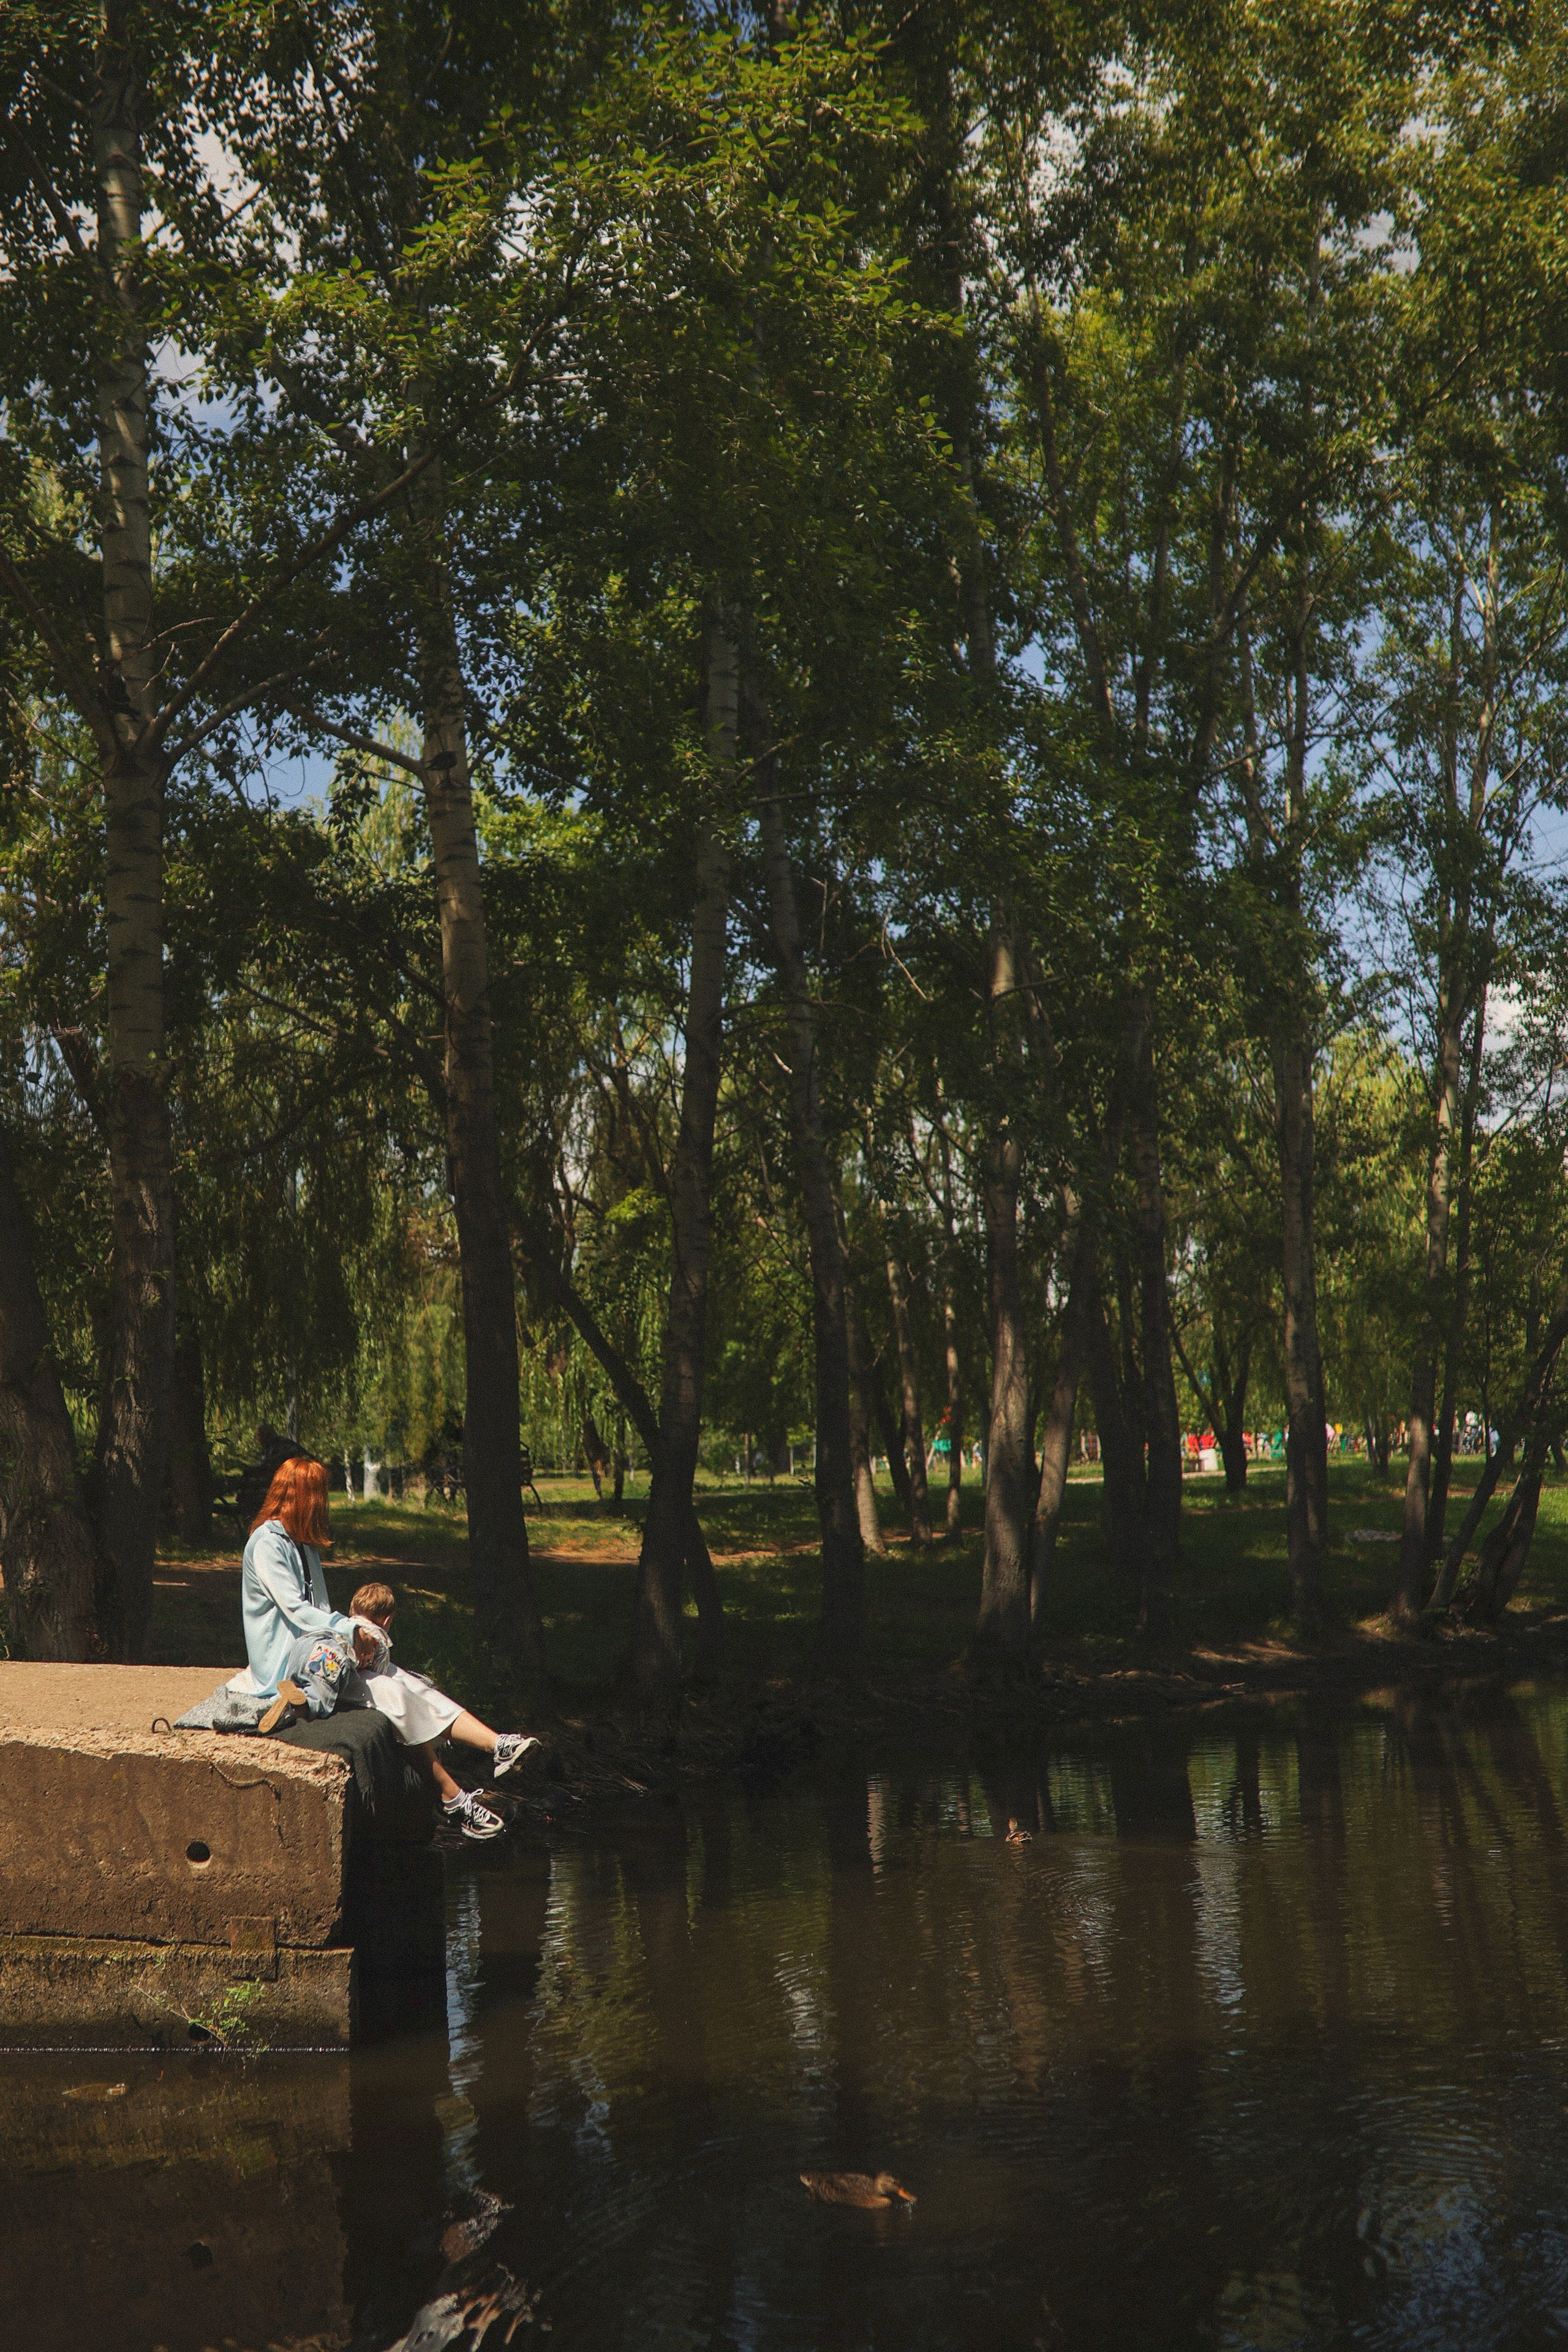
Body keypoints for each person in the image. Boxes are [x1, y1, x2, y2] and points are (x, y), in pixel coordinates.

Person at [234, 1453, 535, 1842]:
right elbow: (296, 1609)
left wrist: (356, 1638)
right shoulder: (267, 1544)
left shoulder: (303, 1545)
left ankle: (498, 1746)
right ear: (300, 1497)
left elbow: (320, 1611)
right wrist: (350, 1630)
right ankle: (455, 1799)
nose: (324, 1505)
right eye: (320, 1495)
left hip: (318, 1649)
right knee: (392, 1696)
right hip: (287, 1663)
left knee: (409, 1683)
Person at [348, 1580, 540, 1839]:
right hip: (343, 1680)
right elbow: (375, 1670)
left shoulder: (350, 1625)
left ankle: (498, 1745)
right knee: (403, 1694)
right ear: (388, 1619)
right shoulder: (376, 1637)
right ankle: (457, 1794)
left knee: (418, 1688)